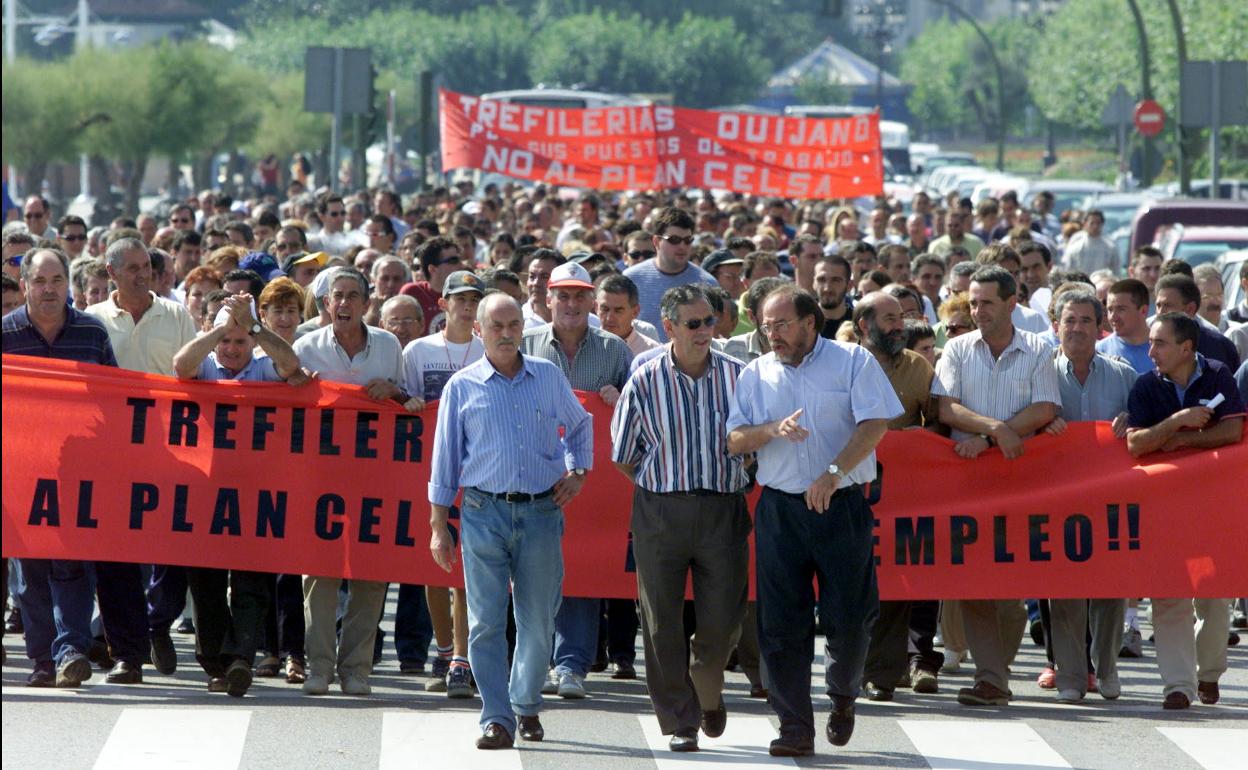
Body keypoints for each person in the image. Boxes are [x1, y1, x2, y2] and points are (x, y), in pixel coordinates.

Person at [726, 285, 901, 757]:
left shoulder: (852, 362)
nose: (773, 334)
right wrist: (770, 431)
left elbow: (875, 424)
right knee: (781, 625)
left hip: (840, 506)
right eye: (766, 326)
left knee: (849, 619)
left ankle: (843, 695)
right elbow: (735, 439)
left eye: (782, 324)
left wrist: (833, 472)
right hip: (781, 510)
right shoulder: (756, 374)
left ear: (809, 322)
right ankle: (794, 725)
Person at [429, 292, 592, 750]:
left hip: (541, 511)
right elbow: (445, 461)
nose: (506, 333)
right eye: (496, 326)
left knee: (539, 619)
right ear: (477, 330)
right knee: (484, 620)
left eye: (513, 324)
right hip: (483, 512)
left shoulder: (548, 376)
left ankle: (524, 701)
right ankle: (496, 716)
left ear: (524, 328)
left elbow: (580, 426)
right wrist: (438, 525)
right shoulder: (461, 386)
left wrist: (578, 472)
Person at [611, 285, 751, 753]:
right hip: (660, 511)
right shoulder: (645, 379)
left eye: (710, 321)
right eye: (694, 324)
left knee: (724, 620)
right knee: (660, 621)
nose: (705, 331)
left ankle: (706, 688)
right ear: (668, 327)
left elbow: (754, 441)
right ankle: (680, 720)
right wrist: (663, 482)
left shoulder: (739, 376)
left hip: (723, 509)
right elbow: (623, 455)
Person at [931, 265, 1060, 706]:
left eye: (986, 302)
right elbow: (947, 408)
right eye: (972, 301)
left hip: (1022, 482)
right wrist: (995, 430)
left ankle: (997, 671)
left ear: (1011, 304)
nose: (977, 309)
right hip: (967, 483)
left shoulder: (1041, 349)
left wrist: (991, 436)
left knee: (1012, 582)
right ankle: (990, 676)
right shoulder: (957, 349)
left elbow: (1045, 407)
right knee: (973, 581)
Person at [171, 293, 301, 696]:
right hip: (204, 493)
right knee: (206, 585)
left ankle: (242, 658)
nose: (231, 349)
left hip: (254, 493)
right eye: (225, 341)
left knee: (251, 582)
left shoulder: (264, 368)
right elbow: (181, 366)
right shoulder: (205, 364)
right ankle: (216, 664)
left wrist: (255, 326)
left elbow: (291, 365)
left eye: (239, 342)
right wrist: (221, 328)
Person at [292, 267, 411, 697]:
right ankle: (319, 666)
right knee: (320, 575)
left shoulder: (388, 346)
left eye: (351, 296)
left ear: (366, 303)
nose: (343, 304)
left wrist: (393, 392)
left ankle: (356, 668)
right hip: (321, 477)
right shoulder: (306, 347)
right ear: (326, 304)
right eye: (335, 296)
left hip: (375, 479)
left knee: (371, 575)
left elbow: (410, 402)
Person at [3, 248, 116, 688]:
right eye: (39, 281)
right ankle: (41, 660)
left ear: (68, 284)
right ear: (25, 284)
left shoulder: (91, 332)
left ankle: (70, 650)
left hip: (78, 473)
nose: (48, 290)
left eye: (56, 281)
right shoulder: (6, 334)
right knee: (30, 574)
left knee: (72, 564)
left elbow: (115, 400)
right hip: (20, 473)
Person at [86, 236, 198, 677]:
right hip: (110, 455)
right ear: (110, 273)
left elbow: (194, 378)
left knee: (171, 549)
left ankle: (157, 623)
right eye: (131, 267)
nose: (142, 273)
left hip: (166, 450)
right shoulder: (92, 321)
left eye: (146, 266)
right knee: (117, 557)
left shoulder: (176, 315)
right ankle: (127, 655)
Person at [1125, 312, 1245, 709]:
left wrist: (1182, 444)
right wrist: (1177, 423)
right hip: (1164, 511)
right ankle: (1178, 685)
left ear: (1186, 348)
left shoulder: (1218, 375)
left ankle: (1208, 673)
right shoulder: (1144, 385)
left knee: (1214, 598)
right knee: (1168, 597)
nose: (1151, 350)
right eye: (1151, 343)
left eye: (1160, 343)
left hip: (1212, 509)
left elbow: (1232, 430)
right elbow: (1136, 444)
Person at [522, 261, 630, 699]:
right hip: (530, 474)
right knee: (532, 575)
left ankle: (571, 665)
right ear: (548, 299)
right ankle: (534, 661)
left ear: (592, 301)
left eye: (579, 296)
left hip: (589, 482)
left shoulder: (615, 352)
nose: (570, 303)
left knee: (582, 570)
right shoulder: (524, 343)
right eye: (562, 295)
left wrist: (619, 400)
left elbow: (635, 415)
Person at [1041, 290, 1137, 703]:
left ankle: (1108, 669)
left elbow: (1148, 424)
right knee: (1063, 590)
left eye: (1085, 320)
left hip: (1110, 500)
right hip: (1056, 499)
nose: (1076, 328)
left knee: (1111, 589)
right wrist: (1040, 427)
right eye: (1069, 320)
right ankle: (1071, 677)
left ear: (1099, 328)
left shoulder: (1124, 375)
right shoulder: (1039, 374)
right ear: (1056, 325)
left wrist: (1133, 421)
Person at [852, 292, 942, 702]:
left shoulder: (918, 368)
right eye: (888, 318)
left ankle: (882, 674)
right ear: (863, 327)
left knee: (892, 587)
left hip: (898, 498)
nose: (898, 325)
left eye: (900, 317)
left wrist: (914, 444)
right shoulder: (841, 364)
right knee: (848, 586)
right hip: (846, 489)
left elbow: (937, 424)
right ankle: (849, 666)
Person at [402, 270, 485, 695]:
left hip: (477, 475)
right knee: (435, 566)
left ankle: (461, 659)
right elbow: (404, 403)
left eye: (475, 299)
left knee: (467, 571)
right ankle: (444, 647)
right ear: (444, 302)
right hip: (429, 471)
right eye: (460, 298)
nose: (468, 306)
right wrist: (410, 402)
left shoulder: (490, 349)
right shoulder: (419, 351)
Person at [623, 207, 717, 341]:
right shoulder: (630, 279)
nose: (682, 246)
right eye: (674, 240)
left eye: (688, 240)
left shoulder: (707, 283)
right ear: (656, 242)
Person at [1153, 274, 1240, 370]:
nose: (1160, 312)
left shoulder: (1220, 347)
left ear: (1190, 309)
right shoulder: (1149, 346)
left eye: (1167, 305)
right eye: (1158, 305)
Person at [1099, 279, 1154, 375]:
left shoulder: (1165, 349)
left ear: (1143, 311)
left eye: (1121, 309)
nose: (1113, 317)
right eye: (1110, 310)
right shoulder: (1100, 352)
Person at [596, 274, 661, 357]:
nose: (609, 318)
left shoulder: (652, 352)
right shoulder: (582, 348)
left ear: (635, 312)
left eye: (618, 311)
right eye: (605, 309)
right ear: (596, 307)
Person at [1062, 210, 1118, 275]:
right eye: (1092, 223)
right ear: (1085, 223)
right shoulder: (1076, 241)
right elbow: (1067, 266)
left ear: (1102, 224)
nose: (1095, 226)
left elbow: (1115, 270)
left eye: (1098, 223)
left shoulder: (1110, 247)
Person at [814, 254, 853, 339]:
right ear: (814, 283)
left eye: (836, 280)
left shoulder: (860, 325)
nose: (827, 288)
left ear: (849, 285)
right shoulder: (803, 324)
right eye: (821, 280)